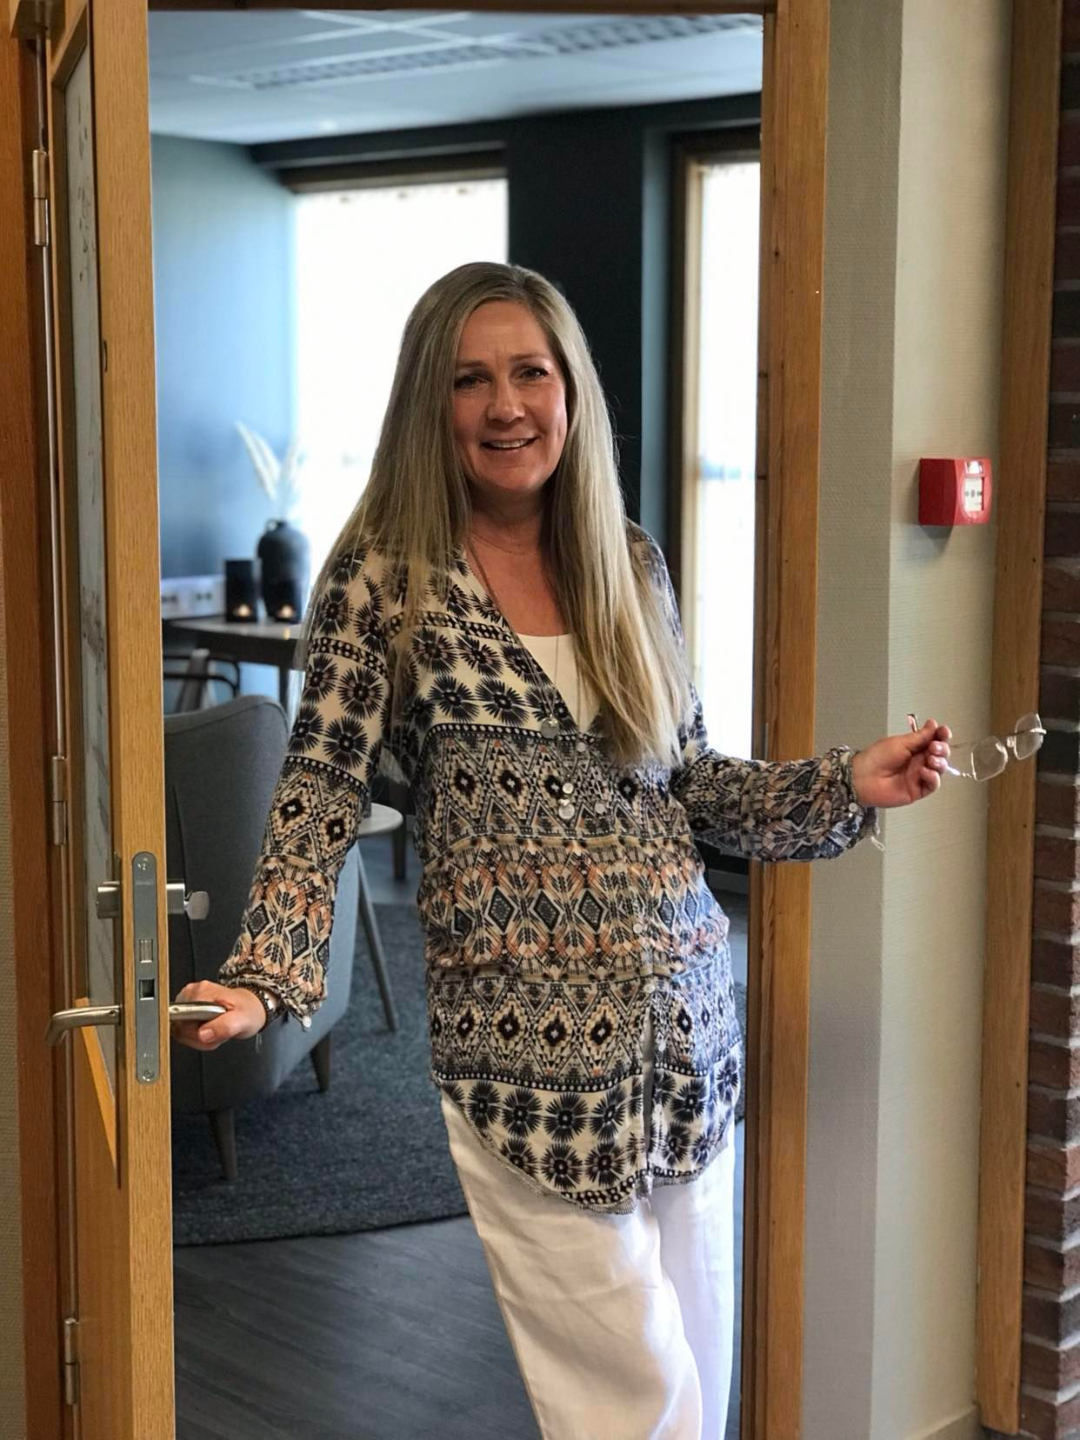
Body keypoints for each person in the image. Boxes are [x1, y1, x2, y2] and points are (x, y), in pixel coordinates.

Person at [173, 261, 951, 1439]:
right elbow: (319, 791)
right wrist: (268, 972)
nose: (506, 406)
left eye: (530, 373)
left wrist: (845, 781)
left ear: (571, 392)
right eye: (469, 380)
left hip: (687, 1040)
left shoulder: (628, 564)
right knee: (632, 1405)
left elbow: (692, 783)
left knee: (700, 1382)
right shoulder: (381, 580)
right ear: (428, 403)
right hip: (525, 1067)